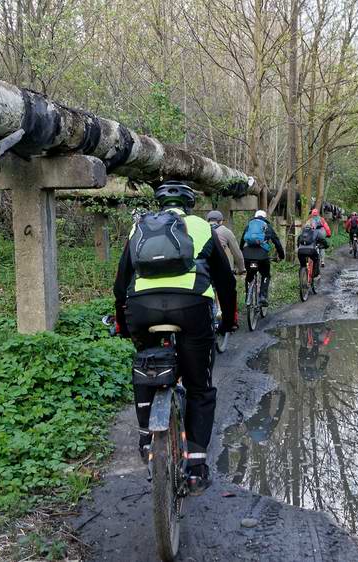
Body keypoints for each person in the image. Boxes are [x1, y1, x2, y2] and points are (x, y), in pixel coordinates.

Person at [113, 180, 238, 496]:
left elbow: (120, 283)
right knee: (199, 387)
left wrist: (122, 321)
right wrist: (229, 320)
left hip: (141, 308)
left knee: (145, 365)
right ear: (189, 204)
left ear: (159, 206)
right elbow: (225, 281)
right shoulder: (200, 226)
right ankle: (196, 467)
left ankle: (146, 437)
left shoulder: (138, 228)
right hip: (192, 307)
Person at [240, 210, 285, 306]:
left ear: (255, 216)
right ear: (264, 217)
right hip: (262, 257)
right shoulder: (267, 226)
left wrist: (241, 253)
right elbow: (276, 242)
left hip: (247, 256)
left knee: (250, 275)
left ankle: (248, 296)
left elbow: (242, 241)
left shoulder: (249, 225)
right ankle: (263, 296)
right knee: (265, 275)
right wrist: (281, 255)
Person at [206, 210, 246, 274]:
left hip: (202, 266)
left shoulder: (201, 229)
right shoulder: (225, 231)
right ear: (220, 221)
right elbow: (236, 252)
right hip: (218, 266)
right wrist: (241, 268)